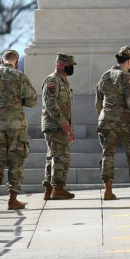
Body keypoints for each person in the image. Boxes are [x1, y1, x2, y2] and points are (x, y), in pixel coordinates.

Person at [0, 49, 37, 210]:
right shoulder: (20, 76)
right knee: (16, 160)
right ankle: (12, 199)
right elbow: (32, 100)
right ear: (16, 62)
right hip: (16, 126)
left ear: (1, 61)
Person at [95, 46, 130, 200]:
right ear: (129, 61)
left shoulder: (105, 76)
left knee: (108, 154)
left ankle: (107, 190)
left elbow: (98, 102)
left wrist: (104, 116)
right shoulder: (127, 77)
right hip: (125, 122)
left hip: (106, 120)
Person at [41, 53, 77, 200]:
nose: (71, 68)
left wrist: (69, 127)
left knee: (53, 156)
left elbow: (66, 108)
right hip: (54, 125)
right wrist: (63, 122)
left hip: (60, 125)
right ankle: (58, 188)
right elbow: (51, 103)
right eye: (69, 65)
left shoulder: (64, 82)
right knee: (61, 156)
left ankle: (49, 189)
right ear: (60, 65)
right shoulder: (52, 81)